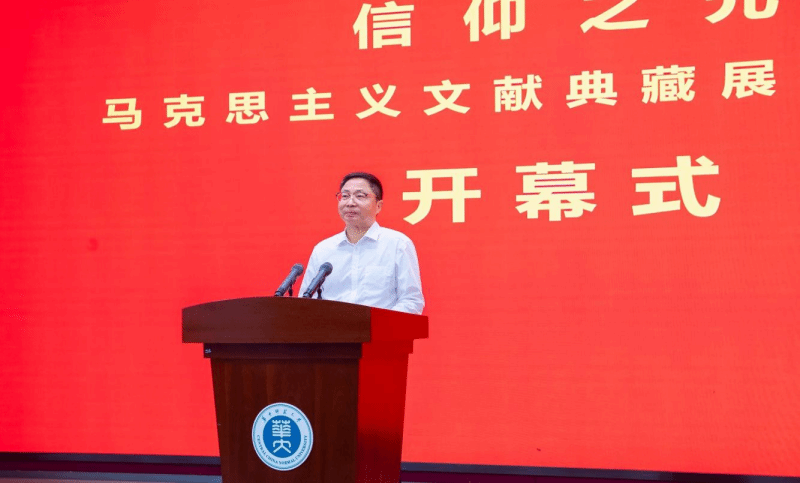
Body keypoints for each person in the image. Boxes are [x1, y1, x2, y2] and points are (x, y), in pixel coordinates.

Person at [298, 172, 424, 314]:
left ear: (378, 206)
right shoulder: (323, 250)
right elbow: (306, 302)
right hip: (332, 328)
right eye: (345, 196)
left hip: (380, 327)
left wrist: (380, 324)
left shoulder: (398, 244)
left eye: (360, 196)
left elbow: (411, 301)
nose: (350, 203)